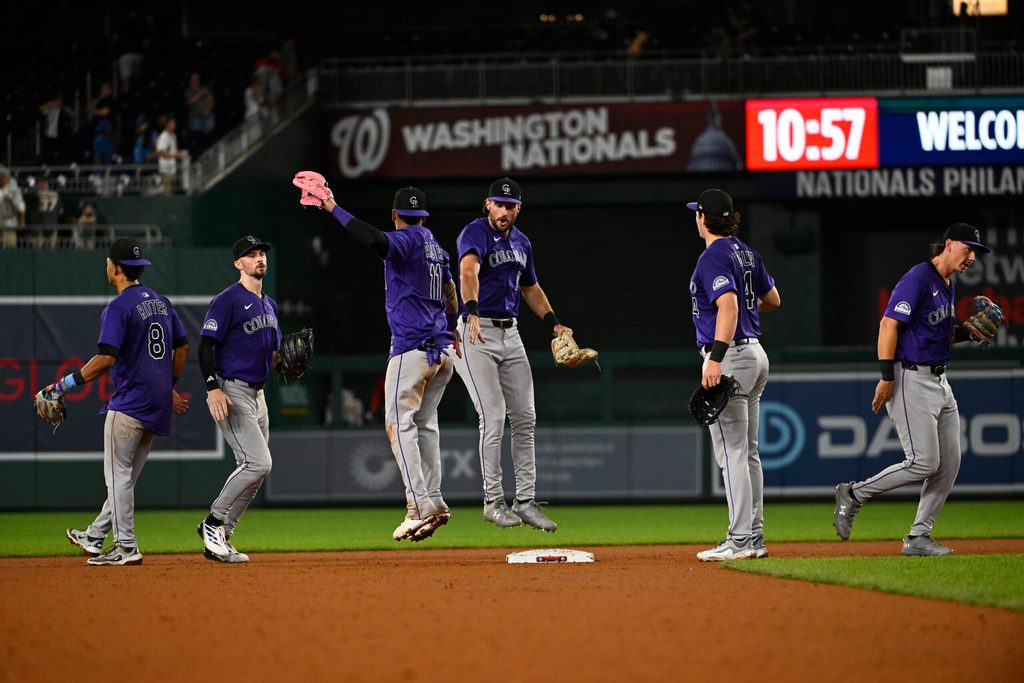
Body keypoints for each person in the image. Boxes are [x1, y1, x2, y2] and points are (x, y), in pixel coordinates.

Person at [310, 179, 461, 541]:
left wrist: (332, 206)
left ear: (395, 215)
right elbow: (451, 293)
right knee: (426, 425)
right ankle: (435, 499)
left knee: (398, 424)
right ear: (423, 216)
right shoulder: (436, 248)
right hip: (443, 352)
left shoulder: (405, 240)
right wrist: (453, 325)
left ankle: (417, 506)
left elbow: (374, 240)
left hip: (411, 349)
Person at [834, 223, 993, 556]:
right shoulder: (919, 278)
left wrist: (967, 334)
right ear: (948, 245)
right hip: (910, 377)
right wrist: (886, 376)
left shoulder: (947, 284)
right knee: (923, 462)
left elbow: (940, 333)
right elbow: (888, 324)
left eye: (975, 252)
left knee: (949, 463)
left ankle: (919, 536)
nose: (972, 257)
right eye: (968, 248)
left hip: (939, 381)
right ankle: (854, 494)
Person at [451, 177, 575, 533]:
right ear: (487, 204)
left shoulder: (522, 243)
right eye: (498, 204)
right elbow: (467, 271)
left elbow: (530, 287)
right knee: (493, 415)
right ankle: (492, 501)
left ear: (519, 208)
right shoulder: (474, 233)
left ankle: (525, 500)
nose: (504, 211)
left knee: (525, 417)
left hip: (511, 333)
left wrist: (553, 322)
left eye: (511, 206)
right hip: (476, 331)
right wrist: (470, 310)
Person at [63, 238, 190, 565]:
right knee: (126, 478)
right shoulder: (161, 302)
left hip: (130, 402)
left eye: (108, 262)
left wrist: (66, 383)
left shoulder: (118, 307)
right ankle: (94, 535)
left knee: (118, 476)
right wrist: (169, 385)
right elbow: (183, 348)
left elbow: (105, 359)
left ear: (115, 268)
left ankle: (126, 547)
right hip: (157, 403)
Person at [687, 188, 780, 562]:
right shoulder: (746, 252)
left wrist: (716, 358)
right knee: (749, 452)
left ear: (702, 218)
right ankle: (753, 536)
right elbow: (773, 300)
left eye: (697, 213)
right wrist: (742, 310)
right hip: (756, 354)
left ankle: (740, 539)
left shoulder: (712, 257)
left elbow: (727, 305)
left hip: (731, 355)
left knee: (733, 452)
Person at [196, 236, 282, 563]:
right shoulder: (228, 300)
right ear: (238, 264)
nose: (259, 259)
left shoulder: (269, 304)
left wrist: (284, 360)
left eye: (261, 253)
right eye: (251, 255)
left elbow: (273, 353)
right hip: (231, 391)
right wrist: (211, 388)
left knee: (257, 470)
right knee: (258, 463)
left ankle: (223, 535)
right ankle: (212, 522)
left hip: (258, 393)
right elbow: (206, 345)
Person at [26, 177, 63, 249]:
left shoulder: (55, 194)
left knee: (49, 251)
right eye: (41, 182)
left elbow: (61, 210)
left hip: (50, 225)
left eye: (44, 182)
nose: (43, 184)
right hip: (38, 226)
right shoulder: (33, 194)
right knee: (37, 251)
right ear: (37, 184)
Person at [155, 117, 188, 194]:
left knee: (172, 189)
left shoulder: (173, 136)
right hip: (166, 167)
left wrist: (181, 153)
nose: (174, 125)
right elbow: (160, 153)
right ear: (167, 125)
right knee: (167, 190)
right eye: (172, 123)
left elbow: (173, 151)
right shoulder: (164, 136)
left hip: (172, 166)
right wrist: (177, 155)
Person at [0, 166, 26, 249]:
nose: (2, 178)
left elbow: (21, 207)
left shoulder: (14, 190)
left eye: (3, 176)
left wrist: (22, 220)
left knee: (10, 247)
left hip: (10, 222)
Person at [184, 72, 216, 137]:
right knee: (197, 131)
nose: (195, 81)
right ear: (191, 81)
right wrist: (200, 93)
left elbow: (211, 100)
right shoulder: (188, 91)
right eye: (193, 79)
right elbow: (190, 101)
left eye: (197, 79)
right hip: (196, 116)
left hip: (207, 114)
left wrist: (208, 108)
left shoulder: (205, 88)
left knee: (210, 129)